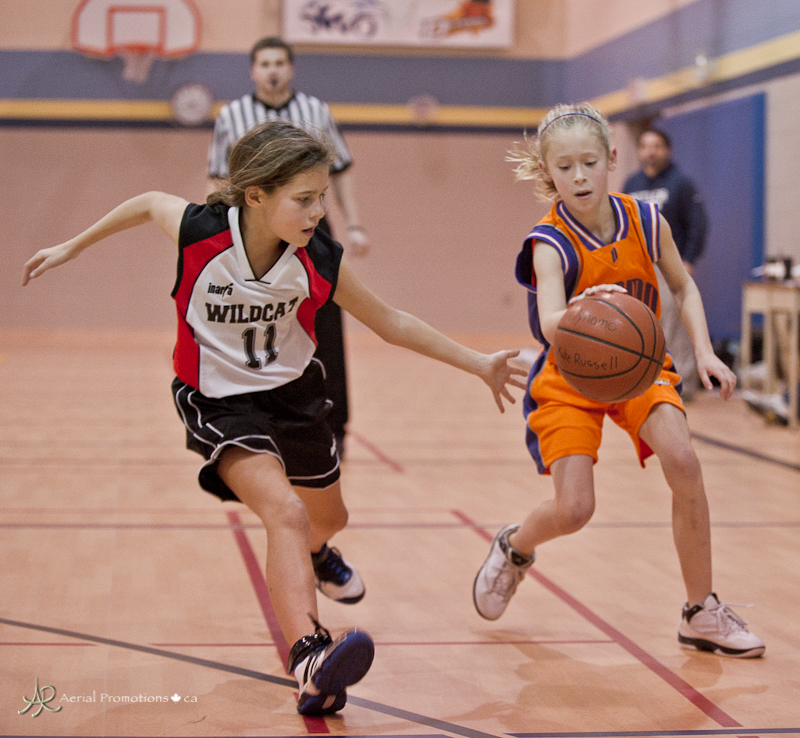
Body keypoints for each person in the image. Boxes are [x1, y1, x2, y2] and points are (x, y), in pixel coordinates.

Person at [23, 121, 526, 714]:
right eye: (304, 199)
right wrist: (73, 246)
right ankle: (310, 658)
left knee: (329, 518)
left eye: (322, 197)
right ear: (256, 194)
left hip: (294, 396)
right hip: (217, 400)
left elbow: (390, 322)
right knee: (284, 512)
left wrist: (479, 363)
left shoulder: (318, 259)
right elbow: (149, 201)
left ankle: (315, 554)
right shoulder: (200, 231)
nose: (319, 211)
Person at [472, 103, 765, 658]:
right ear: (548, 172)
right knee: (574, 510)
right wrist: (588, 310)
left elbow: (683, 286)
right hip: (569, 375)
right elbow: (551, 320)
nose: (579, 176)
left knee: (684, 461)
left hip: (638, 367)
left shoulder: (648, 220)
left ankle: (700, 611)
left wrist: (704, 351)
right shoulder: (549, 241)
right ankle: (515, 546)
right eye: (564, 167)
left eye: (589, 162)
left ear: (611, 158)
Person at [208, 36, 365, 455]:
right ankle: (255, 417)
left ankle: (334, 424)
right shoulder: (231, 116)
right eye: (265, 63)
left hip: (310, 225)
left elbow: (341, 171)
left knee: (324, 323)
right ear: (253, 70)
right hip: (253, 230)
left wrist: (354, 225)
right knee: (256, 319)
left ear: (290, 68)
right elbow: (218, 180)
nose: (272, 70)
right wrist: (220, 238)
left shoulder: (316, 110)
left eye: (279, 62)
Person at [624, 128, 708, 400]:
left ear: (667, 150)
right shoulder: (631, 183)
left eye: (657, 146)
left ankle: (683, 383)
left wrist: (688, 261)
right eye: (645, 146)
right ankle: (646, 380)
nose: (651, 151)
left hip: (669, 266)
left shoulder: (680, 183)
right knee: (643, 325)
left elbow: (698, 224)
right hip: (639, 266)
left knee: (675, 326)